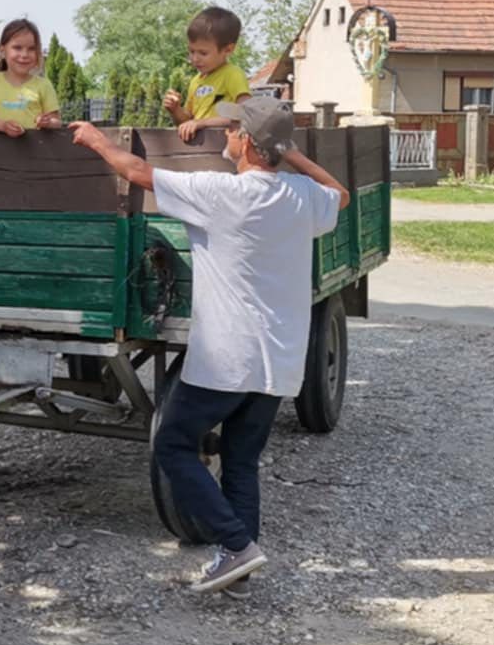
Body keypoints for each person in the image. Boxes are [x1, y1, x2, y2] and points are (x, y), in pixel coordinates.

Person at [68, 99, 347, 593]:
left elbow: (137, 171)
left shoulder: (221, 194)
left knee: (172, 443)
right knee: (241, 459)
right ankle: (236, 563)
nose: (226, 135)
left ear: (247, 144)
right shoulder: (302, 197)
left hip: (227, 357)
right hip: (277, 362)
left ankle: (237, 544)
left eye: (235, 129)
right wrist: (291, 154)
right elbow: (340, 194)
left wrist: (95, 141)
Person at [163, 5, 251, 144]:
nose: (195, 58)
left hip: (225, 150)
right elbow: (189, 120)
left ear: (228, 49)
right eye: (192, 52)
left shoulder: (232, 74)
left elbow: (246, 112)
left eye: (203, 53)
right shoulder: (196, 81)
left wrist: (202, 123)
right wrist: (175, 110)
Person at [0, 18, 63, 136]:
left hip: (36, 152)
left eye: (31, 49)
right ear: (2, 50)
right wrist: (3, 126)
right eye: (17, 48)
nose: (24, 55)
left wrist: (47, 122)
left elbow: (56, 121)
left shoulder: (44, 85)